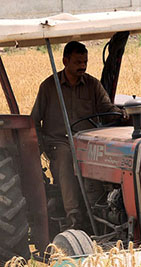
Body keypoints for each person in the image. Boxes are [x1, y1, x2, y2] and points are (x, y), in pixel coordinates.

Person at [30, 41, 121, 230]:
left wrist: (122, 114)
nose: (82, 66)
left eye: (85, 62)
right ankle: (74, 218)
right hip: (58, 141)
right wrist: (40, 145)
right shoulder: (48, 86)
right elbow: (34, 120)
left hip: (87, 141)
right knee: (66, 158)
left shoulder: (93, 84)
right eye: (78, 62)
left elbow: (107, 109)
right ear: (65, 61)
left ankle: (106, 210)